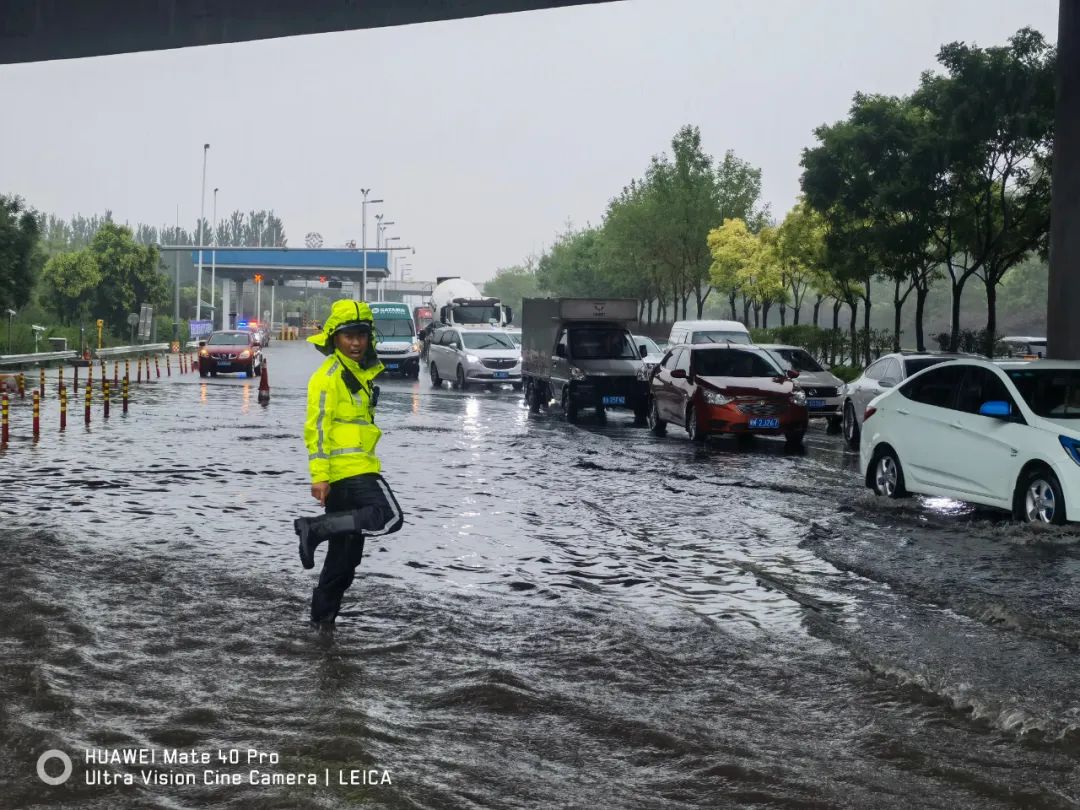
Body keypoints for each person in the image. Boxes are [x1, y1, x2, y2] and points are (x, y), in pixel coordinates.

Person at [293, 300, 404, 628]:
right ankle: (314, 528)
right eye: (347, 336)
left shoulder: (358, 373)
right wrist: (319, 477)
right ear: (334, 339)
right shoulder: (327, 377)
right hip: (350, 474)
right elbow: (316, 430)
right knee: (389, 516)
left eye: (361, 335)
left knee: (344, 562)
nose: (356, 343)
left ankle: (321, 625)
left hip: (352, 473)